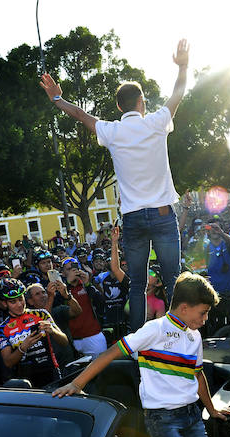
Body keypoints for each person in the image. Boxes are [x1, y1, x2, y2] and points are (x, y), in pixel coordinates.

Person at [52, 272, 230, 437]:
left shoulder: (194, 337)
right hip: (163, 420)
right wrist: (77, 384)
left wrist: (211, 409)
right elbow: (111, 352)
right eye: (203, 313)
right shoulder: (155, 329)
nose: (205, 319)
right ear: (184, 308)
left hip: (192, 417)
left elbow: (197, 374)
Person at [40, 40, 190, 331]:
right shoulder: (157, 122)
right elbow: (178, 93)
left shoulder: (113, 130)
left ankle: (136, 343)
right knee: (173, 279)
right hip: (161, 214)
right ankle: (180, 335)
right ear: (142, 101)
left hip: (133, 218)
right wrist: (182, 65)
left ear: (119, 106)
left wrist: (58, 99)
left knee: (136, 285)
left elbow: (81, 115)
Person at [0, 278, 67, 387]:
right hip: (24, 380)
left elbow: (64, 342)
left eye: (21, 299)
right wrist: (23, 347)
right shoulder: (2, 328)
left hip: (51, 373)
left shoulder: (41, 314)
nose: (19, 304)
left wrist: (53, 331)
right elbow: (8, 362)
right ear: (5, 304)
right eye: (13, 302)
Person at [61, 257, 107, 357]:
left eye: (75, 268)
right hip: (72, 340)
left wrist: (87, 283)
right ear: (63, 273)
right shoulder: (60, 288)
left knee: (103, 370)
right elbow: (58, 306)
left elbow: (101, 302)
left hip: (93, 336)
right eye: (69, 269)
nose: (73, 271)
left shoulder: (86, 285)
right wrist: (67, 284)